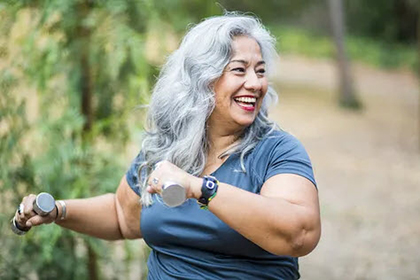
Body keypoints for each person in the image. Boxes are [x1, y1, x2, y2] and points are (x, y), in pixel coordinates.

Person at [14, 13, 321, 280]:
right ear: (202, 78)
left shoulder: (278, 151)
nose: (255, 83)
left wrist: (202, 188)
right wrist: (58, 211)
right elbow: (123, 216)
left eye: (260, 71)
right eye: (239, 70)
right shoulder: (167, 147)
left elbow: (299, 234)